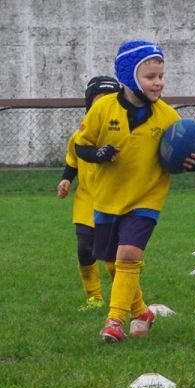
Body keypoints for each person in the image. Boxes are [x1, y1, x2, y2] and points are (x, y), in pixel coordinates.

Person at [75, 40, 195, 343]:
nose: (159, 82)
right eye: (151, 77)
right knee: (112, 263)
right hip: (107, 198)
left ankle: (114, 321)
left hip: (147, 198)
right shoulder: (102, 108)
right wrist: (99, 154)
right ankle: (142, 312)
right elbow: (81, 146)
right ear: (129, 76)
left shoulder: (168, 117)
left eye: (161, 76)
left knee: (130, 254)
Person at [57, 76, 120, 311]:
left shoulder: (121, 135)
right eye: (98, 100)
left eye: (109, 100)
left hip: (115, 202)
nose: (103, 105)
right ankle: (94, 297)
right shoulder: (80, 136)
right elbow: (73, 160)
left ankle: (123, 291)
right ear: (89, 105)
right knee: (85, 249)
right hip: (86, 201)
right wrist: (65, 179)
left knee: (114, 256)